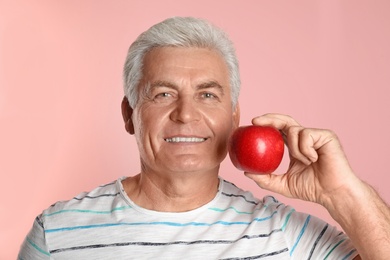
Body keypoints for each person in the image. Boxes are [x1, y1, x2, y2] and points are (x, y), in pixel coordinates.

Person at [19, 16, 390, 259]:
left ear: (234, 119)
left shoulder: (285, 235)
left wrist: (342, 192)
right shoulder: (56, 234)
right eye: (162, 94)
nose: (185, 114)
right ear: (129, 115)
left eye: (208, 95)